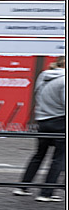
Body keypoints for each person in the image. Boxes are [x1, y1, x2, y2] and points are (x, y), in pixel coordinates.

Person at [14, 57, 65, 202]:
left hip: (43, 120)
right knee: (59, 158)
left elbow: (38, 95)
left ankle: (23, 186)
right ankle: (46, 192)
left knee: (39, 154)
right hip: (60, 121)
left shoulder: (44, 76)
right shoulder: (64, 80)